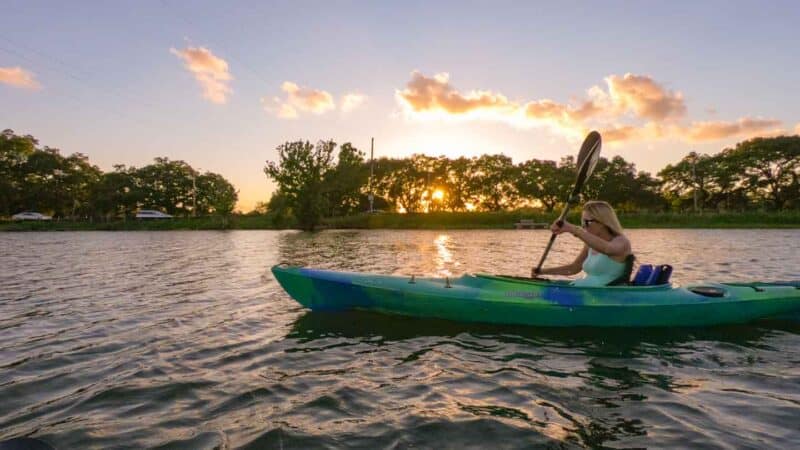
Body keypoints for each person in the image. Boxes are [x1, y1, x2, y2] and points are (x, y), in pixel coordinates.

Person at [532, 200, 633, 286]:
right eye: (582, 222)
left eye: (587, 222)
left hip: (602, 297)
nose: (584, 226)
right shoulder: (589, 244)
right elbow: (573, 268)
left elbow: (608, 249)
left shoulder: (621, 242)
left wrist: (573, 229)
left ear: (602, 222)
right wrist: (542, 271)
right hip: (581, 292)